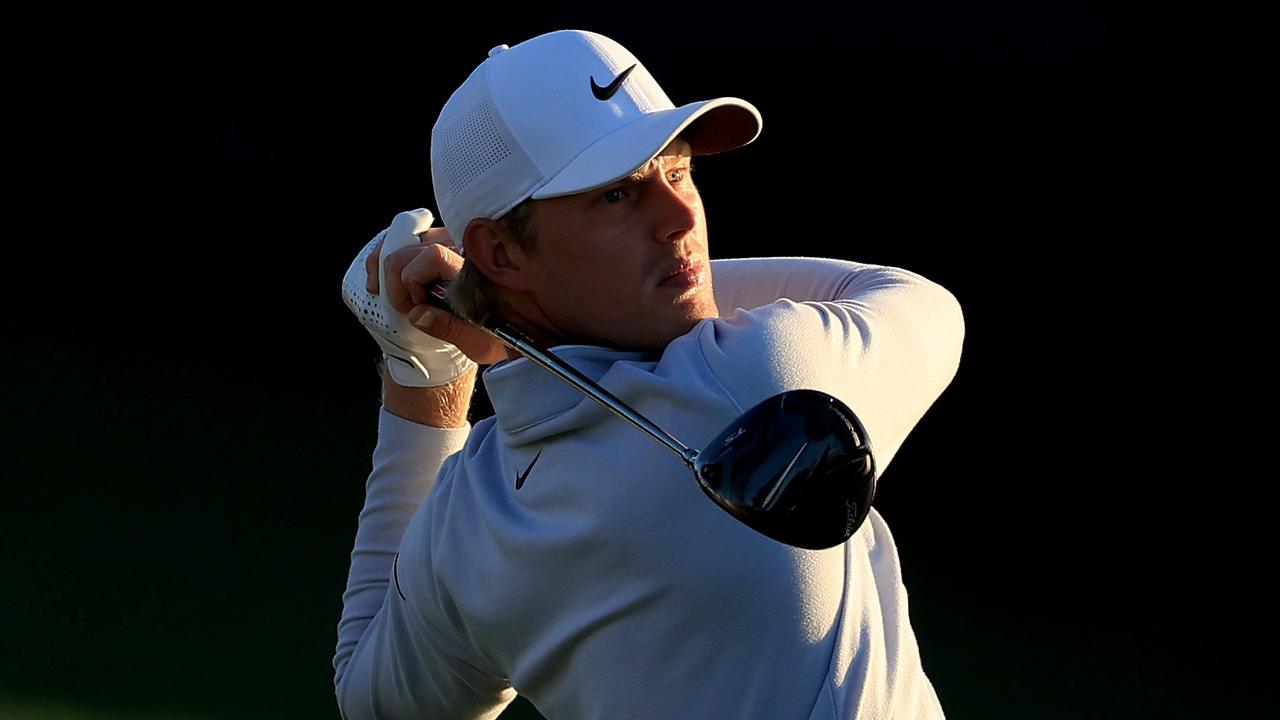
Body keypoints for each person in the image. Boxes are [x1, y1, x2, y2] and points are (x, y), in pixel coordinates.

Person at [334, 29, 964, 719]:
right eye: (616, 196)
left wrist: (424, 369)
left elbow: (373, 702)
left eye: (677, 169)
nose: (679, 216)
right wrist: (498, 322)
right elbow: (916, 301)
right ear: (501, 252)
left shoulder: (467, 526)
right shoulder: (756, 376)